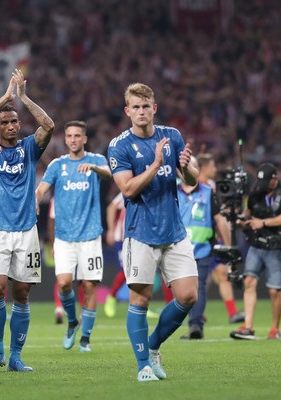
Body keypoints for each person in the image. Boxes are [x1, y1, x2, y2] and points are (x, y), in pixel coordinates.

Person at [107, 82, 198, 382]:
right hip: (140, 232)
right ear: (127, 111)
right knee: (140, 300)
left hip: (174, 229)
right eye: (136, 107)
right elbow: (127, 188)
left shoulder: (172, 136)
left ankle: (154, 345)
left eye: (146, 106)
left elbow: (191, 181)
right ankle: (143, 365)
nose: (142, 111)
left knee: (188, 296)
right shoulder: (119, 146)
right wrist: (157, 162)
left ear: (154, 108)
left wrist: (186, 167)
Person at [0, 68, 54, 372]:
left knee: (21, 293)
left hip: (27, 232)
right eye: (4, 122)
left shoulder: (30, 148)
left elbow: (49, 124)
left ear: (19, 124)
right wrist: (5, 97)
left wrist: (23, 98)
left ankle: (16, 356)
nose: (10, 126)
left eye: (13, 121)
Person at [35, 120, 112, 352]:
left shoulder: (97, 160)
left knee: (89, 286)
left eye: (78, 136)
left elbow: (109, 174)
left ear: (84, 139)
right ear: (65, 139)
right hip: (64, 237)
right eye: (69, 136)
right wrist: (36, 202)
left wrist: (94, 169)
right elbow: (41, 188)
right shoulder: (58, 165)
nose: (73, 140)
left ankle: (85, 339)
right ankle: (71, 322)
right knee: (64, 283)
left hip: (90, 236)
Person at [230, 163, 281, 340]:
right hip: (257, 245)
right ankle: (248, 325)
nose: (262, 184)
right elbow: (247, 214)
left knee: (274, 291)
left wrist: (264, 222)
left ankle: (275, 328)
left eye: (266, 180)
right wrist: (240, 220)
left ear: (275, 179)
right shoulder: (256, 192)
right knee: (249, 282)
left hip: (276, 246)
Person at [177, 156, 232, 339]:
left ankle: (195, 324)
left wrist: (228, 246)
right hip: (178, 250)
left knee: (198, 286)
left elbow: (220, 220)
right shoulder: (172, 192)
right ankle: (192, 320)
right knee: (182, 290)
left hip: (202, 249)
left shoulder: (208, 192)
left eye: (191, 167)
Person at [196, 153, 244, 324]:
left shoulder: (212, 186)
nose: (215, 169)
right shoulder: (193, 185)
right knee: (199, 280)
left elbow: (216, 210)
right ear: (204, 168)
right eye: (212, 166)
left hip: (215, 236)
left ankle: (232, 313)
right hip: (199, 238)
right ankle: (196, 312)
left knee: (222, 273)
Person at [103, 194, 161, 319]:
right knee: (125, 270)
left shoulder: (152, 191)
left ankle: (142, 305)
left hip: (142, 237)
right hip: (122, 237)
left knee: (142, 271)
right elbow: (111, 208)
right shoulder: (130, 188)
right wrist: (111, 230)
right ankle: (112, 297)